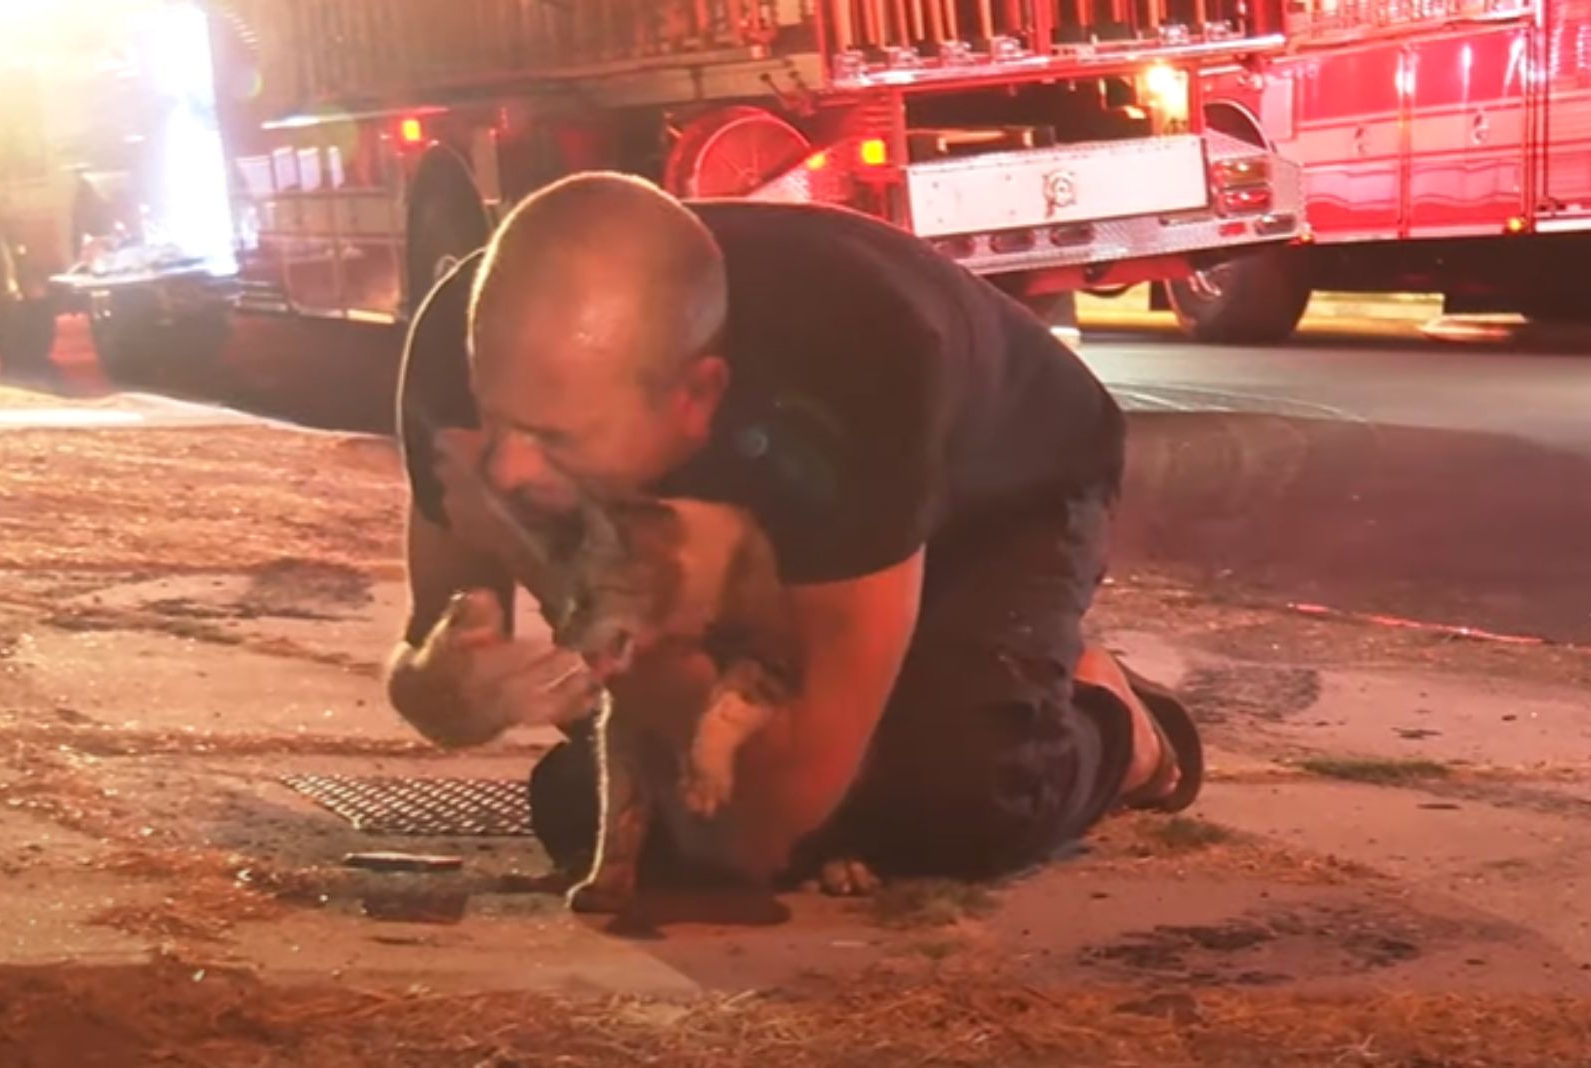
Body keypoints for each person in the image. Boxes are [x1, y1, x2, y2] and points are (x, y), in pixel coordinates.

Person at [385, 171, 1202, 889]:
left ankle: (1120, 726)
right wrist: (453, 691)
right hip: (791, 529)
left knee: (950, 795)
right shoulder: (450, 375)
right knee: (586, 813)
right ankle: (986, 685)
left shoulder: (849, 364)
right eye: (499, 423)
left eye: (558, 439)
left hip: (996, 489)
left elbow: (797, 789)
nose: (508, 473)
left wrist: (653, 691)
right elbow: (429, 663)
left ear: (693, 398)